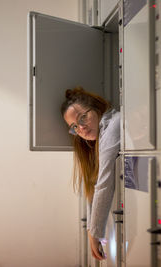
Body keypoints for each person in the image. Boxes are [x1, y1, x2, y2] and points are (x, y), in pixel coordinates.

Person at [60, 86, 120, 261]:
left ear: (96, 107)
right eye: (74, 127)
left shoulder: (114, 124)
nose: (81, 129)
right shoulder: (100, 136)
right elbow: (93, 185)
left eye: (82, 118)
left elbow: (105, 182)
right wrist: (90, 230)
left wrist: (95, 233)